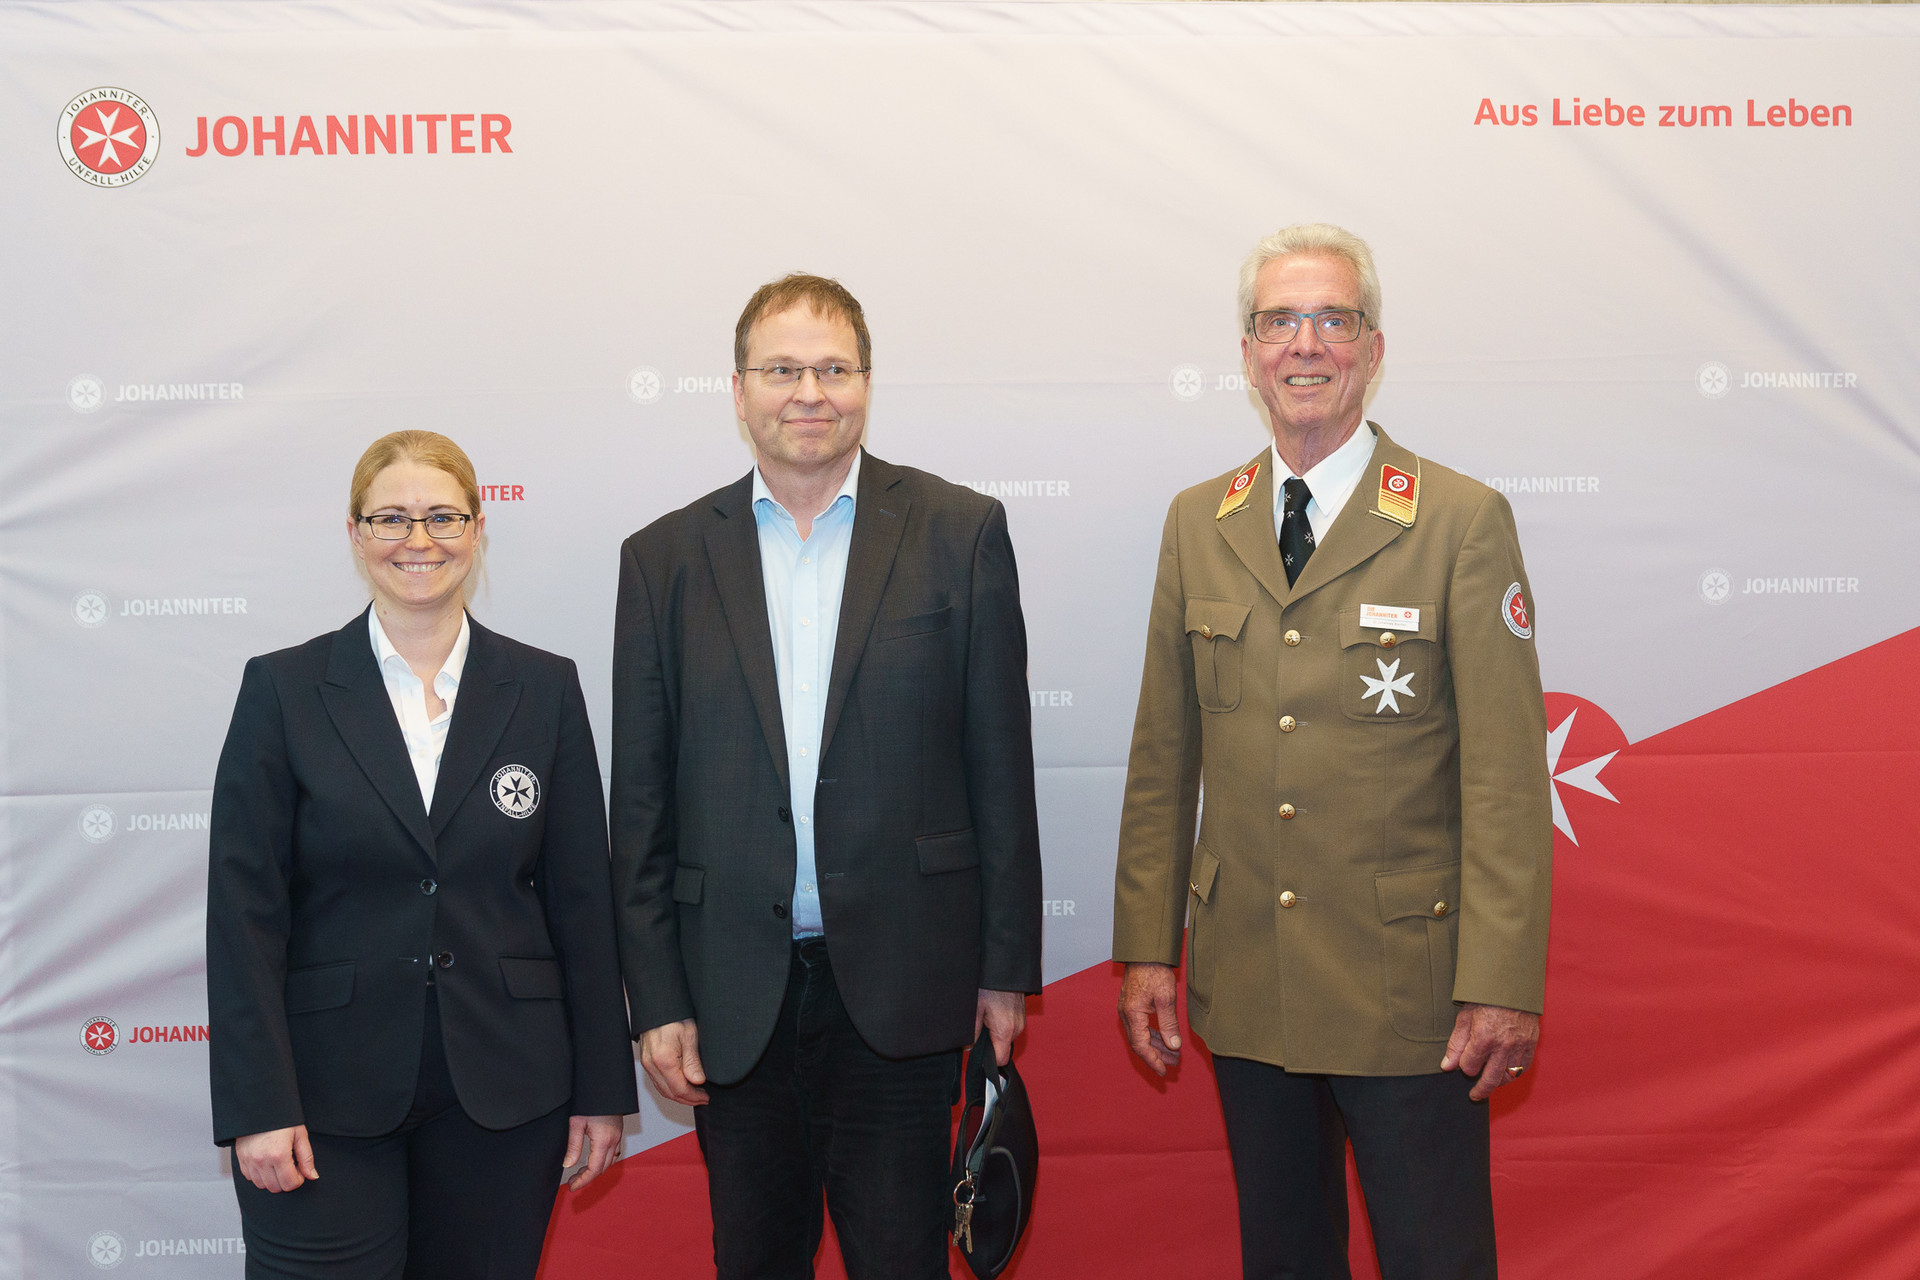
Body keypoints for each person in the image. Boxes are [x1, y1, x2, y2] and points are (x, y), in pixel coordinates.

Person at [1112, 224, 1553, 1279]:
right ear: (1250, 349)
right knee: (1285, 1259)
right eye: (1279, 321)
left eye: (1332, 319)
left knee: (1434, 1257)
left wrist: (1501, 980)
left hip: (1411, 992)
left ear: (1373, 344)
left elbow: (1503, 775)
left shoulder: (1457, 519)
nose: (1305, 344)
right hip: (1248, 982)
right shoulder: (1197, 520)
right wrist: (1144, 948)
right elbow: (1164, 753)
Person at [610, 273, 1043, 1280]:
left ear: (867, 382)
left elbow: (999, 762)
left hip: (903, 986)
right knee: (755, 1259)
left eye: (833, 368)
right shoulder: (664, 558)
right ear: (738, 388)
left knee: (902, 1259)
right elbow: (641, 802)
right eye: (783, 369)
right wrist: (657, 994)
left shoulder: (957, 530)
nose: (809, 391)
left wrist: (1005, 964)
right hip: (731, 994)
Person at [206, 430, 637, 1279]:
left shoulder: (545, 688)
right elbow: (244, 913)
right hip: (325, 1094)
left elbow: (584, 903)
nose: (419, 540)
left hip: (508, 1091)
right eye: (392, 518)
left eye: (443, 516)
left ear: (478, 528)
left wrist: (602, 1089)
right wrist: (257, 1103)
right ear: (356, 533)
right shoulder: (283, 690)